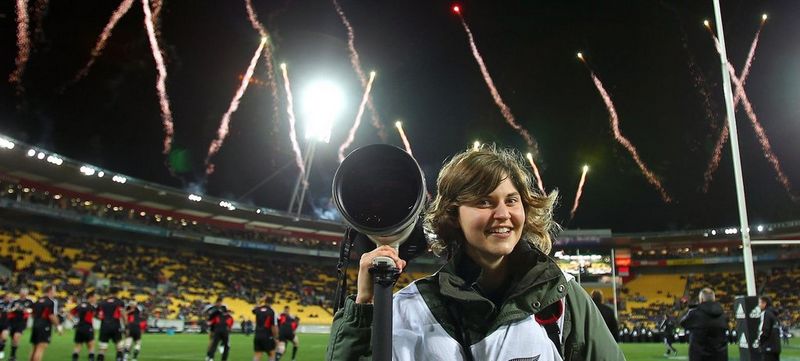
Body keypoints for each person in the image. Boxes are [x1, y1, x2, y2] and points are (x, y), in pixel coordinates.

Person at [326, 145, 625, 360]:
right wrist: (364, 308)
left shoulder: (563, 300)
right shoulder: (411, 309)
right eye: (484, 202)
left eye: (512, 200)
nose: (502, 214)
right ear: (453, 215)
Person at [679, 288, 727, 361]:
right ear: (714, 299)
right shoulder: (722, 314)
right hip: (720, 356)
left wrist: (689, 310)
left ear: (701, 299)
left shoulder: (695, 313)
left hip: (700, 357)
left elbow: (682, 323)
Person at [29, 285, 62, 361]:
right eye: (54, 290)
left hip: (35, 325)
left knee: (34, 348)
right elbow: (52, 316)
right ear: (50, 290)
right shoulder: (51, 302)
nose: (55, 292)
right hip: (44, 326)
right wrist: (58, 326)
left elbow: (32, 314)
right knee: (40, 348)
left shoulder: (38, 301)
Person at [96, 288, 126, 361]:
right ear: (117, 293)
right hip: (115, 326)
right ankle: (119, 359)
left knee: (103, 347)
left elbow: (97, 315)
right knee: (119, 345)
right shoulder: (119, 302)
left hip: (104, 326)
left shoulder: (101, 302)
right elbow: (123, 314)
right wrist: (126, 325)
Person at [70, 291, 98, 361]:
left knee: (78, 346)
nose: (96, 299)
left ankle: (74, 359)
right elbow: (89, 319)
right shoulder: (91, 307)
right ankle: (91, 358)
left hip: (79, 327)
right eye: (95, 297)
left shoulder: (79, 305)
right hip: (88, 327)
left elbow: (69, 314)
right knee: (91, 345)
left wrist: (74, 322)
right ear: (90, 297)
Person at [7, 287, 33, 361]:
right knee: (13, 339)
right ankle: (13, 355)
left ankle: (13, 356)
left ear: (26, 293)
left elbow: (31, 310)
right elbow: (9, 310)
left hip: (22, 322)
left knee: (16, 337)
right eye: (22, 292)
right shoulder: (15, 301)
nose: (23, 294)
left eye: (25, 292)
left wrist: (24, 309)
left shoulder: (29, 301)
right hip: (13, 322)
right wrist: (14, 308)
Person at [252, 296, 278, 361]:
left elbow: (253, 310)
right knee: (272, 354)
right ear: (272, 302)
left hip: (257, 335)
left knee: (258, 354)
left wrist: (259, 301)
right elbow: (274, 326)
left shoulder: (258, 309)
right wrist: (276, 338)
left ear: (265, 301)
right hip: (267, 336)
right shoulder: (272, 311)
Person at [756, 296, 781, 361]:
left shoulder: (765, 313)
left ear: (764, 303)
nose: (759, 305)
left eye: (759, 303)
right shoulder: (775, 314)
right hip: (776, 347)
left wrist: (760, 341)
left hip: (768, 347)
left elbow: (764, 330)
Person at [0, 293, 13, 360]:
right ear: (4, 297)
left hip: (7, 324)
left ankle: (1, 350)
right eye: (7, 297)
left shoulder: (12, 304)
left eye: (10, 297)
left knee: (4, 338)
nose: (8, 298)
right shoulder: (1, 303)